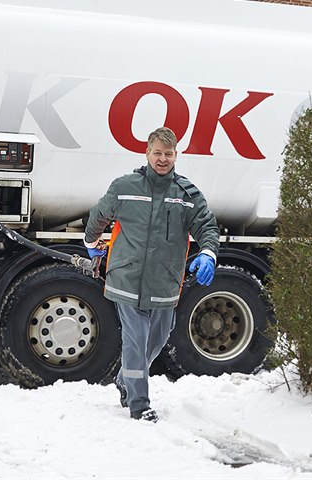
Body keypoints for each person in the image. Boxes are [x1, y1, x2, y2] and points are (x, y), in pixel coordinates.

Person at [84, 127, 219, 422]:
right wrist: (92, 244)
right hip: (127, 277)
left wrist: (208, 252)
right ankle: (139, 404)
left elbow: (207, 227)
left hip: (165, 280)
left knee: (157, 339)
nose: (162, 159)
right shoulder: (125, 186)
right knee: (136, 339)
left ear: (176, 156)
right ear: (147, 153)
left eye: (168, 154)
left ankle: (125, 379)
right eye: (157, 153)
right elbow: (98, 215)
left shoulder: (186, 195)